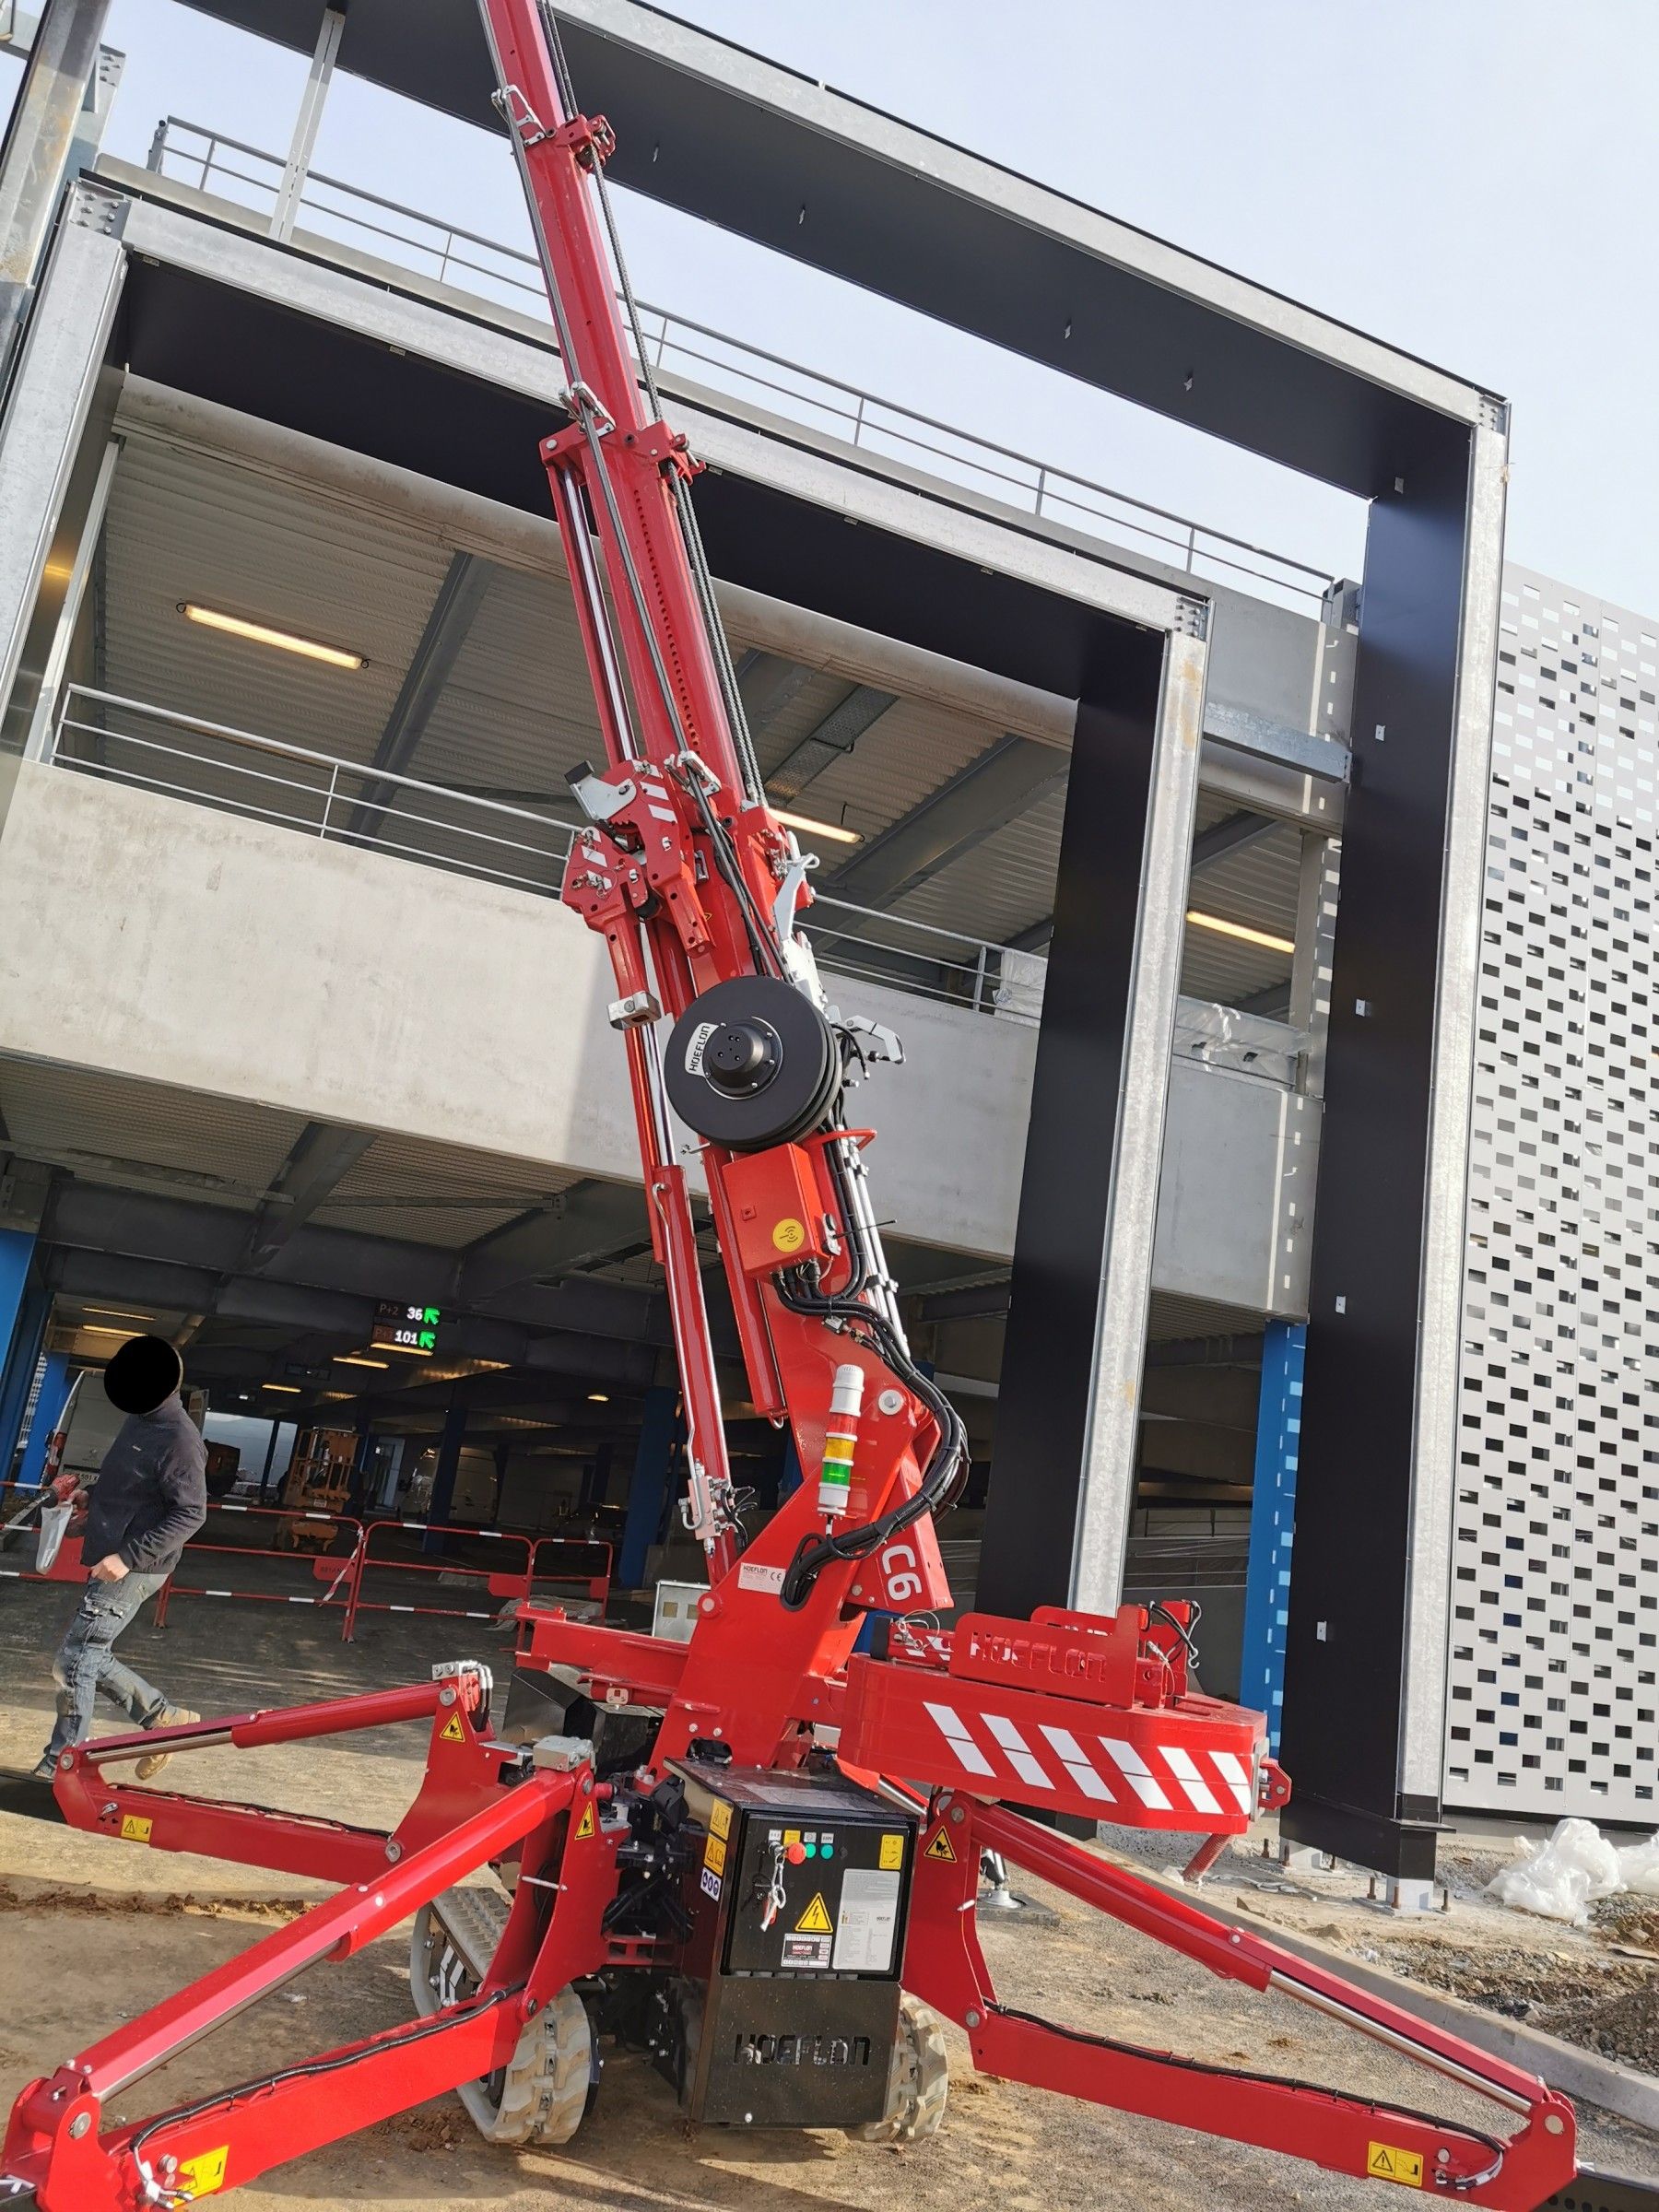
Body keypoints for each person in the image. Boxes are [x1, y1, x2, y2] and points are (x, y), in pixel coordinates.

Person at [34, 1335, 206, 1784]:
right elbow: (131, 1486)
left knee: (75, 1661)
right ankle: (164, 1718)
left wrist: (128, 1557)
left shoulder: (180, 1439)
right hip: (117, 1558)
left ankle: (63, 1767)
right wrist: (92, 1503)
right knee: (87, 1656)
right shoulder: (140, 1420)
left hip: (136, 1568)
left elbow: (191, 1513)